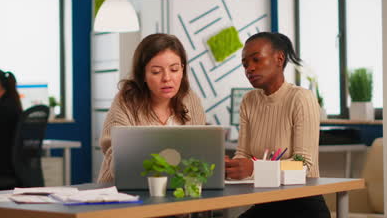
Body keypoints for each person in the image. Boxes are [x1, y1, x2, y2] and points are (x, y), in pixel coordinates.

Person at [225, 32, 330, 217]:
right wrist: (233, 166)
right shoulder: (248, 100)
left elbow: (303, 164)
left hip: (303, 203)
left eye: (256, 60)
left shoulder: (301, 98)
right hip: (267, 202)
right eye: (245, 64)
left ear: (279, 59)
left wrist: (254, 167)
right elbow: (243, 154)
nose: (249, 68)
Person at [97, 33, 207, 183]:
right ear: (142, 74)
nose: (167, 78)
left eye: (174, 69)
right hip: (127, 192)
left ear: (182, 69)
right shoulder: (126, 101)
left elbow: (199, 150)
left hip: (179, 189)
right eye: (156, 72)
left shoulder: (190, 99)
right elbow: (115, 158)